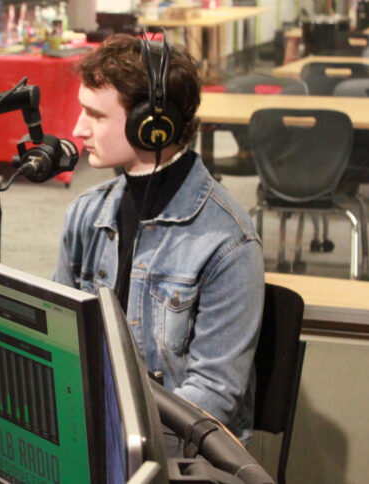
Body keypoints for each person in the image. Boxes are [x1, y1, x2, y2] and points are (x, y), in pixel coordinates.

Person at [53, 34, 264, 442]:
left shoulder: (229, 244)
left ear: (152, 127)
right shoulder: (84, 213)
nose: (78, 129)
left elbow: (211, 399)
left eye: (95, 115)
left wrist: (113, 440)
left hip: (178, 454)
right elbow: (60, 335)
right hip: (95, 433)